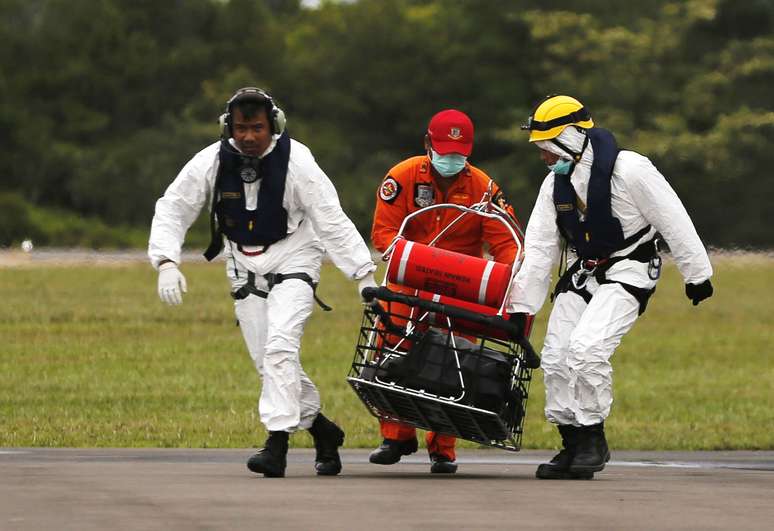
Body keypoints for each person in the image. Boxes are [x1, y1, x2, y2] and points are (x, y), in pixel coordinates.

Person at [149, 87, 378, 478]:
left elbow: (331, 218)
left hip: (295, 257)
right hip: (242, 265)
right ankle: (324, 431)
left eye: (257, 128)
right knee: (268, 363)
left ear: (274, 126)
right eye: (241, 128)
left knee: (280, 348)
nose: (249, 137)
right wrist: (166, 260)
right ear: (228, 128)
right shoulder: (211, 161)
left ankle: (277, 444)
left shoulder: (299, 162)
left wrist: (363, 275)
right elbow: (175, 205)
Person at [509, 94, 714, 480]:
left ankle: (592, 438)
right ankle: (572, 443)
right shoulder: (553, 185)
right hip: (582, 273)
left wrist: (697, 274)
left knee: (587, 349)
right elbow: (538, 248)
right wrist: (522, 307)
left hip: (630, 270)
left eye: (546, 147)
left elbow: (673, 218)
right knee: (555, 357)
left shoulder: (631, 170)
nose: (543, 156)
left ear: (569, 136)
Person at [369, 109, 523, 474]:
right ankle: (396, 435)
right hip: (408, 284)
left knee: (453, 364)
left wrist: (509, 280)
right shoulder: (402, 178)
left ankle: (443, 448)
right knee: (393, 350)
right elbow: (384, 233)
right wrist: (417, 262)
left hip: (460, 288)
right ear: (428, 144)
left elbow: (508, 242)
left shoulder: (483, 188)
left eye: (459, 153)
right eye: (444, 149)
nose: (451, 159)